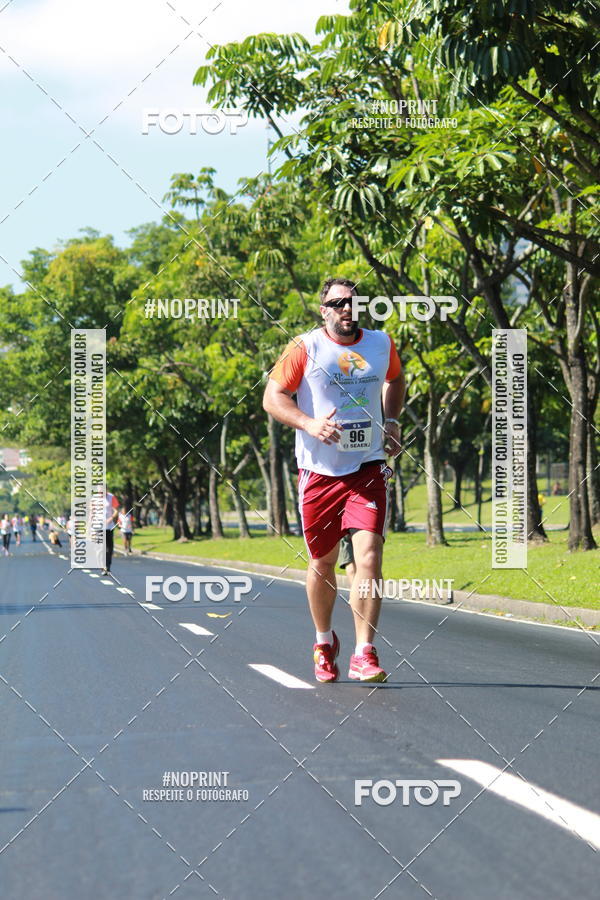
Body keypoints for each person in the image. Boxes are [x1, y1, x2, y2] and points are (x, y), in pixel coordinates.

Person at [263, 276, 404, 683]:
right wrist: (308, 423)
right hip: (318, 473)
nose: (346, 309)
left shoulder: (380, 344)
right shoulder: (306, 347)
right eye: (337, 303)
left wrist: (391, 420)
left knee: (370, 557)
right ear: (323, 310)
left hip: (367, 467)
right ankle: (324, 641)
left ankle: (365, 651)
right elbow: (273, 398)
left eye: (353, 302)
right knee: (323, 562)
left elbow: (395, 379)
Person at [103, 491, 119, 574]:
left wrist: (111, 518)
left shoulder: (111, 497)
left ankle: (107, 566)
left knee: (109, 547)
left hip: (109, 526)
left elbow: (116, 510)